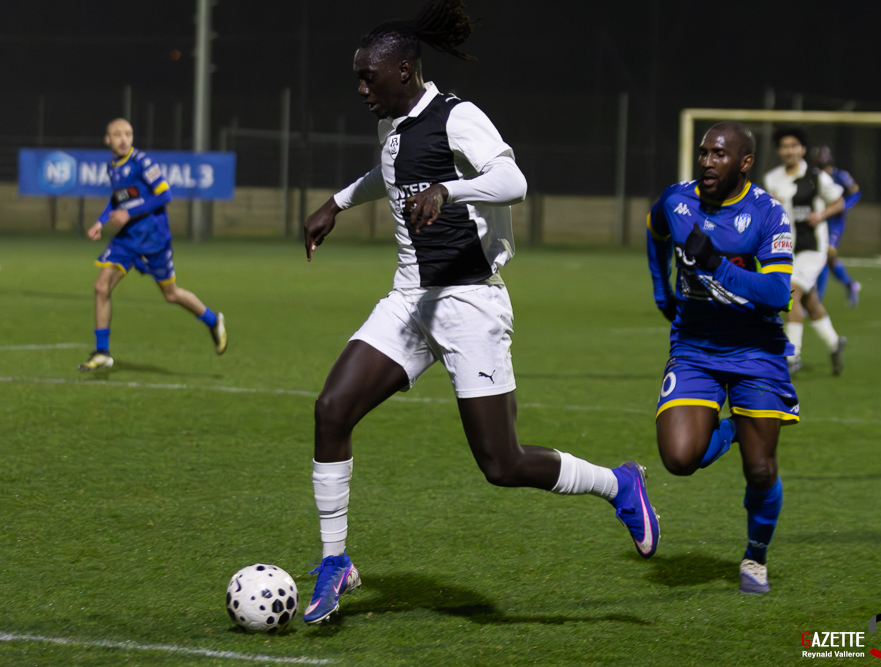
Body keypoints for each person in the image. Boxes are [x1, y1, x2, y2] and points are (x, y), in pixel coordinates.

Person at [299, 0, 658, 626]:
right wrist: (337, 202)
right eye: (357, 77)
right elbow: (390, 171)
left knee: (503, 464)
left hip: (470, 300)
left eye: (369, 78)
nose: (361, 89)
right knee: (332, 410)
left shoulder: (458, 117)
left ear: (405, 72)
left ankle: (618, 483)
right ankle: (336, 562)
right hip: (411, 299)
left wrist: (451, 190)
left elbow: (513, 180)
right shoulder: (392, 120)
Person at [646, 122, 798, 594]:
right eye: (704, 153)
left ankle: (755, 558)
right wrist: (661, 290)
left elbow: (775, 292)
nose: (707, 162)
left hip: (755, 348)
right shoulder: (676, 200)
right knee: (678, 459)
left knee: (760, 469)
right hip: (694, 345)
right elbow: (655, 232)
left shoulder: (769, 215)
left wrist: (714, 263)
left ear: (745, 163)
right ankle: (733, 426)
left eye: (720, 155)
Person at [79, 119, 226, 370]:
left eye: (128, 133)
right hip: (126, 240)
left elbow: (165, 194)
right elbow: (118, 200)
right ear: (107, 140)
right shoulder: (113, 167)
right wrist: (101, 222)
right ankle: (102, 352)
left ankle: (213, 320)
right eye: (117, 134)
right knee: (101, 287)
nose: (124, 139)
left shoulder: (142, 162)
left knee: (171, 294)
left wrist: (129, 214)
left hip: (153, 240)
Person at [764, 129, 847, 376]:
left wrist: (821, 214)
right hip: (786, 247)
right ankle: (834, 343)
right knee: (810, 302)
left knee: (792, 292)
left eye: (794, 145)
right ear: (779, 151)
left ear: (802, 149)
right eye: (784, 146)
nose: (789, 150)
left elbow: (839, 202)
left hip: (812, 247)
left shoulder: (815, 176)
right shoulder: (772, 178)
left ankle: (792, 356)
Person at [814, 146, 862, 307]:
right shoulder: (813, 176)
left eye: (825, 155)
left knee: (827, 255)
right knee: (828, 260)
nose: (822, 159)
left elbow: (855, 192)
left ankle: (817, 301)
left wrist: (844, 205)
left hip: (835, 221)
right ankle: (850, 285)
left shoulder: (841, 176)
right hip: (820, 219)